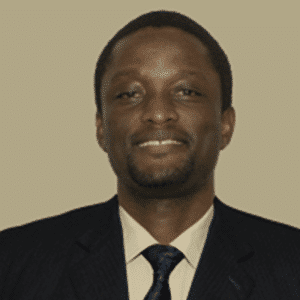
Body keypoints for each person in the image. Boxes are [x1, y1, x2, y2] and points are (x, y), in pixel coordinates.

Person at [0, 10, 299, 300]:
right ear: (101, 128)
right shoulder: (13, 265)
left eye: (186, 91)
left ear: (225, 124)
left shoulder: (291, 267)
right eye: (130, 93)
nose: (158, 113)